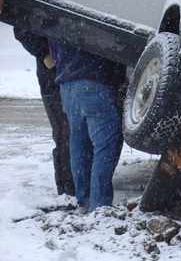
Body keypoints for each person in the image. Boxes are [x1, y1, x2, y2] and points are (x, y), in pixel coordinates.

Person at [48, 39, 125, 212]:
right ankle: (99, 208)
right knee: (105, 147)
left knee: (78, 144)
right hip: (95, 83)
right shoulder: (95, 13)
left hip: (67, 87)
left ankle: (84, 201)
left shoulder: (62, 14)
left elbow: (53, 53)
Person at [14, 28, 75, 197]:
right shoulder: (41, 10)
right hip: (53, 79)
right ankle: (66, 189)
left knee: (76, 134)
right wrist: (44, 53)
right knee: (66, 134)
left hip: (75, 75)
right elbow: (21, 29)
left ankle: (76, 184)